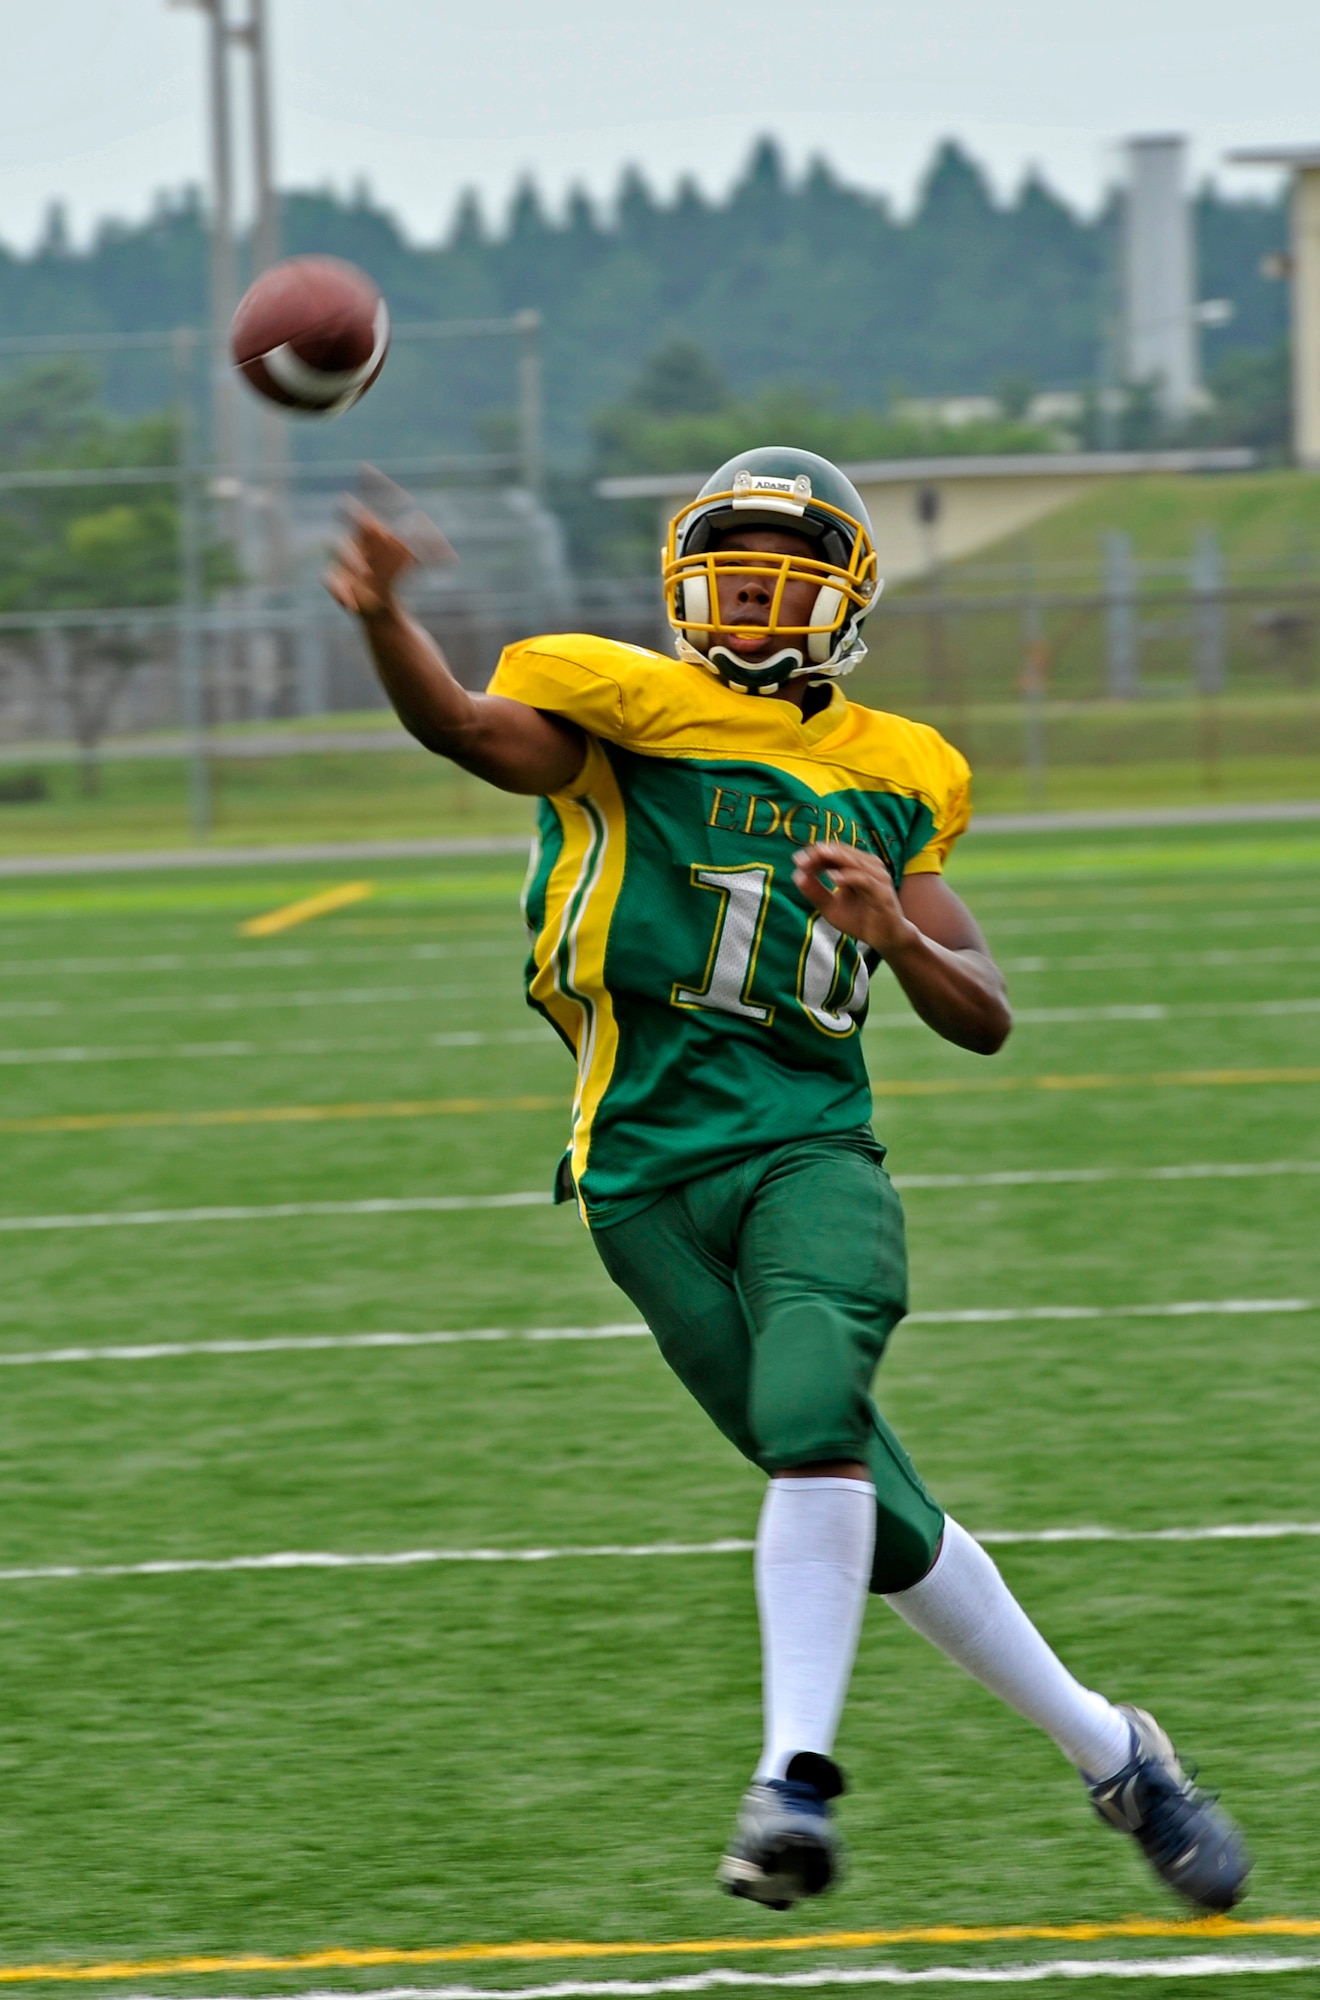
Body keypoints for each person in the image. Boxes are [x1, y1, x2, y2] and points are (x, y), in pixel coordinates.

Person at [326, 446, 1249, 1915]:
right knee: (855, 1502)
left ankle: (793, 1786)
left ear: (843, 600)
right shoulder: (622, 710)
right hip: (635, 1176)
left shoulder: (900, 769)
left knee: (813, 1417)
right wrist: (383, 616)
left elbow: (986, 1014)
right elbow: (459, 725)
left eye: (784, 572)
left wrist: (894, 927)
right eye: (729, 569)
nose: (751, 596)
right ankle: (1119, 1753)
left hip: (809, 1147)